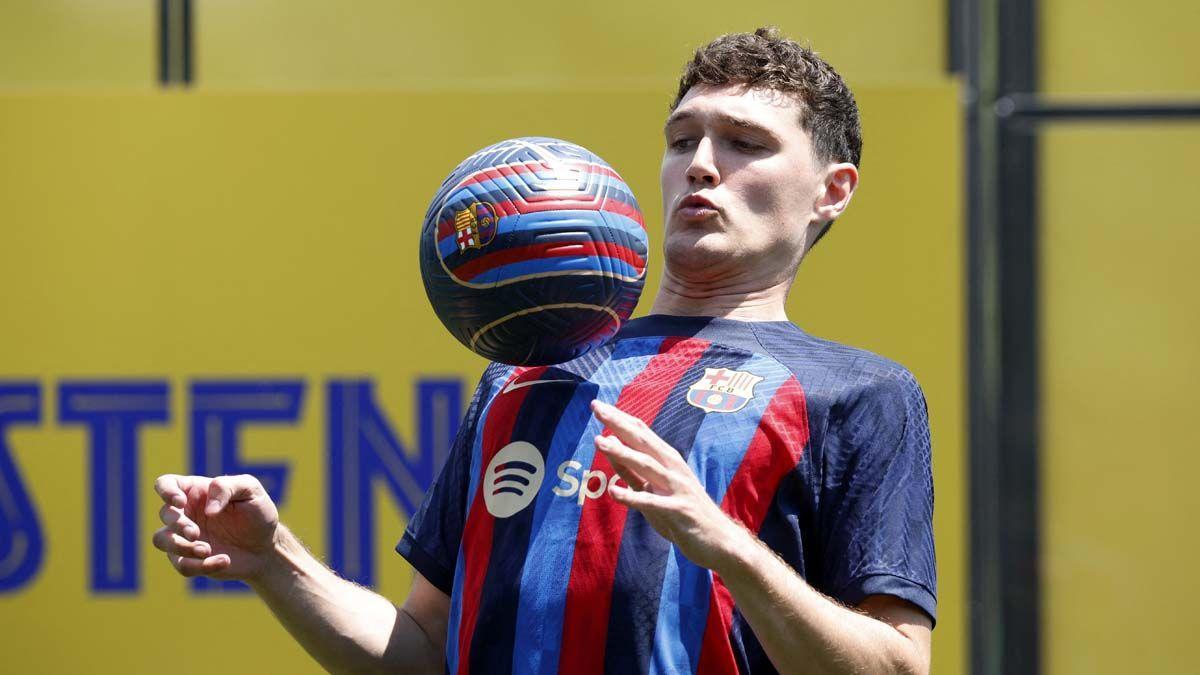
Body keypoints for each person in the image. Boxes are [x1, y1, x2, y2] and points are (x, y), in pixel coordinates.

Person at [153, 27, 935, 675]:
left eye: (743, 143)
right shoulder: (523, 374)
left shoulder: (858, 392)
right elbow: (424, 646)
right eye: (682, 138)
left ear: (833, 190)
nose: (700, 162)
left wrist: (728, 547)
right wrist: (272, 559)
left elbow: (899, 666)